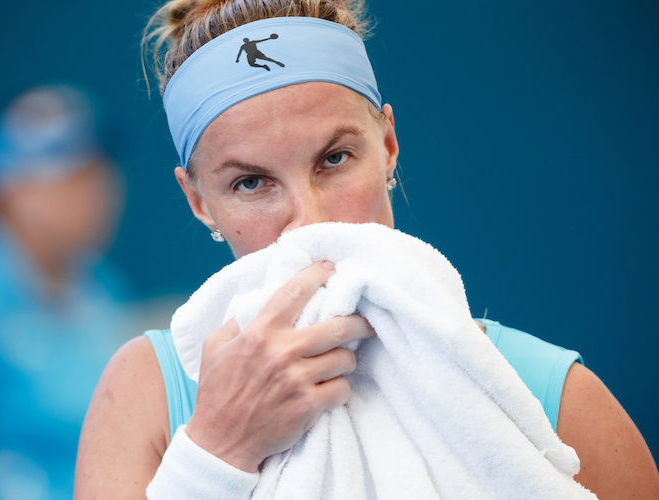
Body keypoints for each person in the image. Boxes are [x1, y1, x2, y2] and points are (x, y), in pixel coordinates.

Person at [75, 1, 659, 498]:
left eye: (334, 159)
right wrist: (217, 449)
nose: (310, 219)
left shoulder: (556, 398)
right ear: (200, 202)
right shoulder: (143, 393)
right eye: (250, 183)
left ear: (388, 145)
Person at [0, 85, 138, 499]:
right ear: (0, 196)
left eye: (98, 170)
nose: (94, 190)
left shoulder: (101, 287)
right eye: (66, 177)